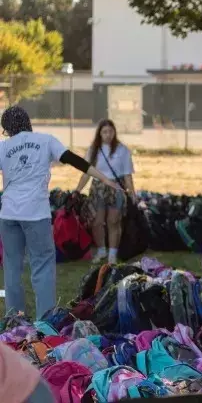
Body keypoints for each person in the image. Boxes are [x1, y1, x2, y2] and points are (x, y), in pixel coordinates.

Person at [0, 106, 120, 319]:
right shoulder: (46, 140)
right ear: (27, 122)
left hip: (9, 214)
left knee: (11, 268)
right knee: (42, 266)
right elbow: (75, 160)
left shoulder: (4, 146)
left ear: (7, 128)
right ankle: (45, 320)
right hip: (36, 214)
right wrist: (103, 178)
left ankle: (14, 318)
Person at [75, 119, 136, 264]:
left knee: (113, 222)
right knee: (97, 222)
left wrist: (132, 193)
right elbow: (86, 173)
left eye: (111, 131)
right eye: (105, 132)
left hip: (116, 189)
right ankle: (101, 250)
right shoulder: (94, 150)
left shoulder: (123, 150)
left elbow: (128, 175)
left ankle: (112, 255)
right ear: (100, 134)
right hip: (98, 188)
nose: (108, 135)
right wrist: (77, 190)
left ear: (114, 132)